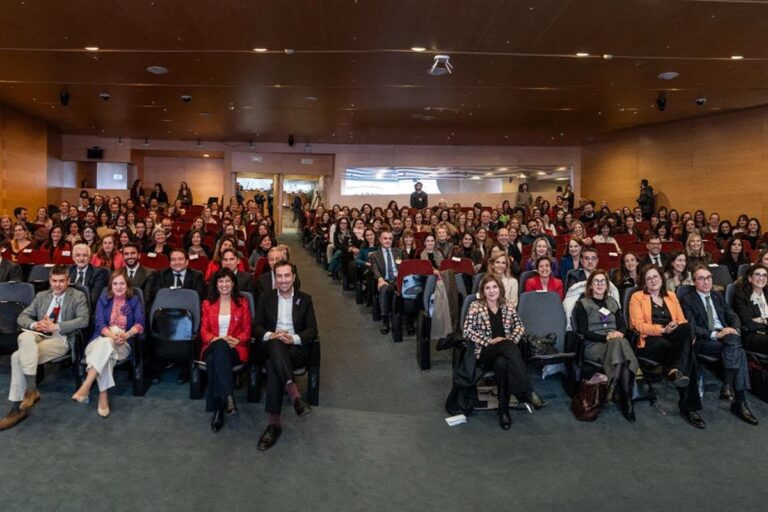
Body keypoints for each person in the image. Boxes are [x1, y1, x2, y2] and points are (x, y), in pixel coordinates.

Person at [0, 266, 89, 430]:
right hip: (38, 335)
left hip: (60, 338)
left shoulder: (77, 296)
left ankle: (16, 407)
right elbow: (22, 317)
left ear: (68, 281)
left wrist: (57, 326)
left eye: (62, 281)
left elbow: (83, 320)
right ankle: (31, 390)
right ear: (49, 281)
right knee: (24, 336)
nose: (58, 285)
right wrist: (35, 324)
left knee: (16, 357)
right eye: (54, 281)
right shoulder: (42, 296)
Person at [463, 274, 545, 431]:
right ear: (483, 291)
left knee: (502, 363)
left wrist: (510, 340)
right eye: (487, 288)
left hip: (505, 353)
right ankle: (527, 391)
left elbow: (520, 327)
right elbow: (467, 331)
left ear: (499, 289)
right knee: (505, 349)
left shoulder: (507, 306)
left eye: (494, 287)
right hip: (485, 352)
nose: (492, 291)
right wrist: (489, 341)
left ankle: (503, 411)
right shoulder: (475, 306)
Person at [680, 266, 757, 425]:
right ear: (694, 282)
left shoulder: (717, 296)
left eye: (708, 277)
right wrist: (715, 334)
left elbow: (733, 316)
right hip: (704, 340)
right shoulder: (688, 299)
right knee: (739, 352)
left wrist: (734, 329)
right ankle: (737, 399)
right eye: (701, 278)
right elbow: (691, 327)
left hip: (726, 338)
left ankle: (731, 390)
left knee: (734, 343)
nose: (706, 281)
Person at [629, 266, 703, 428]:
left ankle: (674, 371)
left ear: (661, 279)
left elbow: (682, 321)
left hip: (673, 337)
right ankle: (688, 407)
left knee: (686, 327)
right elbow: (638, 325)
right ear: (644, 282)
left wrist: (674, 326)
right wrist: (663, 330)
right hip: (650, 340)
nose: (653, 280)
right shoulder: (637, 297)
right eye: (648, 278)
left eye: (655, 277)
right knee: (687, 356)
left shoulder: (671, 295)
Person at [254, 260, 317, 450]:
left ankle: (273, 424)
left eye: (287, 275)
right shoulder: (266, 298)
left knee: (274, 366)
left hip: (294, 350)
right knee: (275, 343)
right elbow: (256, 327)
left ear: (294, 277)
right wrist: (272, 335)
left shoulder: (304, 299)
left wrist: (293, 338)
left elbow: (312, 330)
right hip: (270, 345)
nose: (283, 280)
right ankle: (294, 394)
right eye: (279, 276)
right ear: (275, 278)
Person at [70, 269, 144, 418]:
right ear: (111, 286)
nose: (118, 286)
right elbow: (99, 323)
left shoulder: (134, 300)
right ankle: (103, 396)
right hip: (99, 341)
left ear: (127, 285)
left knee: (107, 347)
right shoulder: (104, 299)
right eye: (115, 283)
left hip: (123, 344)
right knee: (106, 347)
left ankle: (87, 386)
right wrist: (111, 335)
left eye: (122, 283)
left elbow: (140, 323)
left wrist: (126, 334)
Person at [574, 270, 639, 421]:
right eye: (596, 281)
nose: (599, 284)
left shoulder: (612, 302)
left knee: (619, 342)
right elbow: (583, 331)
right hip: (594, 345)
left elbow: (622, 326)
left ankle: (615, 386)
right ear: (590, 285)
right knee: (620, 346)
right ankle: (626, 397)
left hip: (615, 343)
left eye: (602, 281)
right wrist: (607, 336)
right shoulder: (582, 304)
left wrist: (618, 333)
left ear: (607, 285)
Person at [200, 267, 251, 432]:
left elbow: (247, 330)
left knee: (213, 360)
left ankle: (218, 409)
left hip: (235, 348)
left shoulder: (242, 302)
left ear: (233, 283)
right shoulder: (207, 304)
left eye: (227, 280)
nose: (224, 284)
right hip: (212, 344)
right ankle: (228, 396)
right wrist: (216, 339)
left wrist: (237, 340)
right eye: (220, 281)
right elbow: (203, 331)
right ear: (215, 284)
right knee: (219, 346)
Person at [370, 231, 403, 334]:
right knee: (384, 289)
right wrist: (380, 279)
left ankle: (410, 321)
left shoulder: (399, 252)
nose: (388, 240)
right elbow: (375, 269)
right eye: (385, 238)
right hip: (386, 280)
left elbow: (406, 267)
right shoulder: (375, 255)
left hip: (399, 280)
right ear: (380, 240)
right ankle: (385, 321)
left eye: (390, 238)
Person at [732, 264, 768, 354]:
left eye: (764, 275)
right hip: (752, 335)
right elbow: (747, 322)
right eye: (757, 274)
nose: (761, 278)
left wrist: (762, 320)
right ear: (750, 278)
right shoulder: (741, 296)